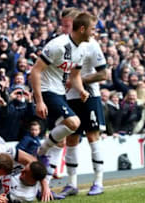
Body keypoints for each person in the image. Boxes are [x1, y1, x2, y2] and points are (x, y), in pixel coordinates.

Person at [30, 12, 96, 164]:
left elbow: (75, 76)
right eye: (92, 29)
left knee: (61, 139)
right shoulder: (57, 46)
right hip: (47, 90)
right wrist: (39, 101)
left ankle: (45, 177)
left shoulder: (82, 49)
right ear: (82, 29)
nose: (94, 33)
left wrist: (81, 90)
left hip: (60, 93)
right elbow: (35, 70)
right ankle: (41, 151)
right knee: (74, 123)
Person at [61, 10, 109, 196]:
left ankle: (98, 182)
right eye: (63, 24)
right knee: (71, 138)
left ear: (77, 24)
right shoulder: (62, 43)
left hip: (89, 96)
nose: (64, 28)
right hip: (69, 97)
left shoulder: (92, 44)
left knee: (92, 136)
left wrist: (79, 82)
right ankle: (72, 184)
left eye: (66, 24)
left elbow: (103, 74)